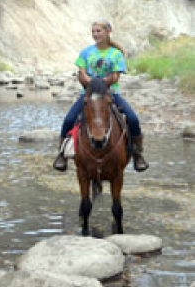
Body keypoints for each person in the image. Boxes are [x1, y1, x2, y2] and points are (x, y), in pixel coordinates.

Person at [53, 19, 148, 172]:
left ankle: (137, 153)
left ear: (108, 32)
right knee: (69, 119)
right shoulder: (85, 52)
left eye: (99, 31)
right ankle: (61, 154)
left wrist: (98, 83)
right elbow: (81, 75)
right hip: (88, 95)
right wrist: (93, 83)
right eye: (93, 31)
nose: (95, 34)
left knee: (133, 118)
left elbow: (115, 77)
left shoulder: (116, 54)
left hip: (111, 94)